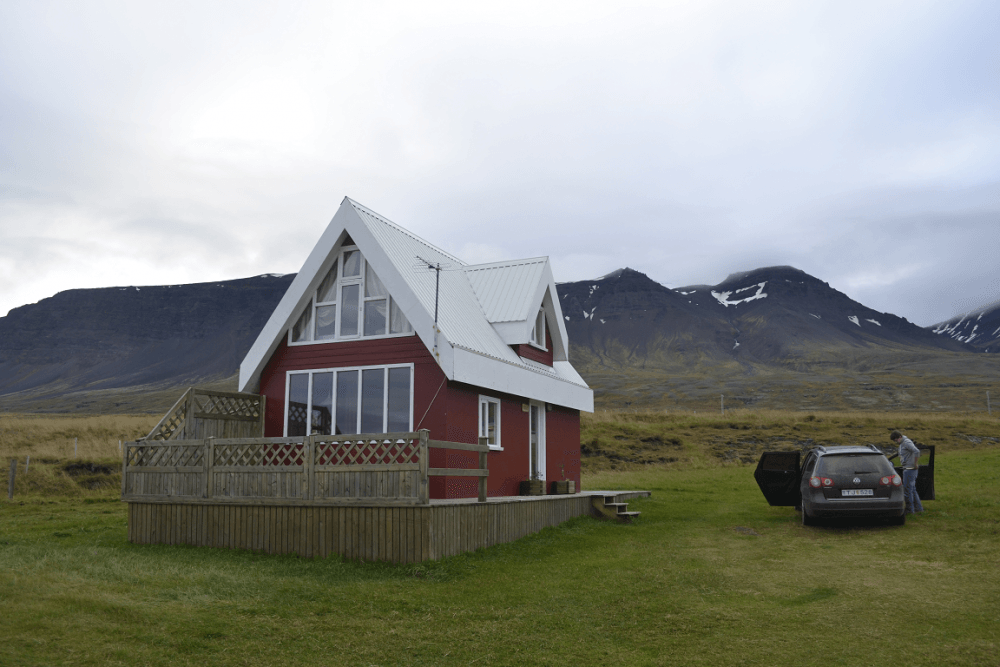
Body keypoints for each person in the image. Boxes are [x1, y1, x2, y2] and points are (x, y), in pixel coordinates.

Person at [891, 430, 924, 514]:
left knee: (907, 490)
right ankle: (918, 508)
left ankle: (910, 509)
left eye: (896, 440)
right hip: (908, 468)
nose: (895, 442)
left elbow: (916, 451)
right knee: (912, 489)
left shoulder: (906, 442)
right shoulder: (902, 443)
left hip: (910, 469)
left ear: (899, 437)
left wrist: (915, 463)